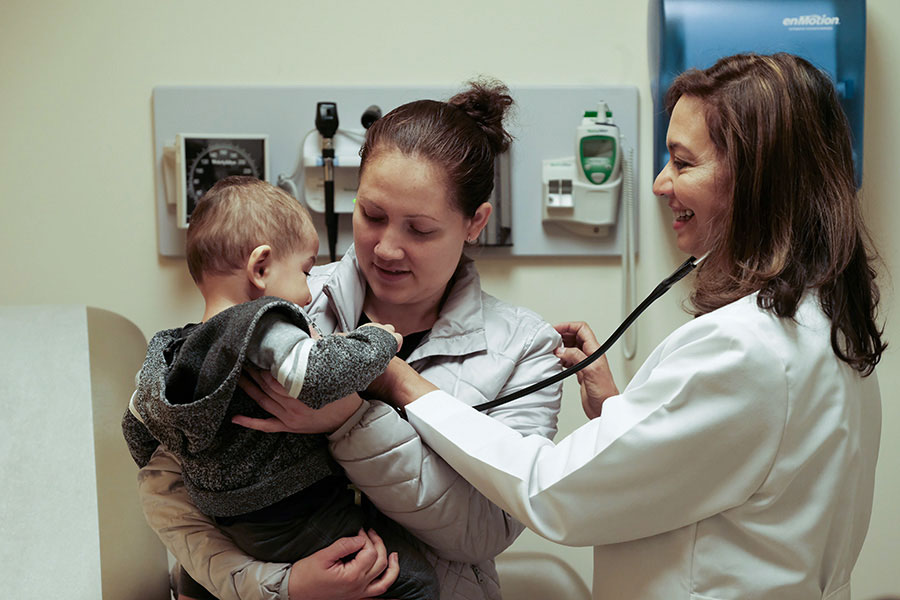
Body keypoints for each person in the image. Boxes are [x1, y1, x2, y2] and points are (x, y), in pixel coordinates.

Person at [316, 53, 885, 599]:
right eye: (372, 214)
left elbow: (550, 492)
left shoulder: (745, 348)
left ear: (757, 178)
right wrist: (619, 414)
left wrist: (399, 384)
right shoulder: (824, 330)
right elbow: (711, 468)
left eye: (683, 162)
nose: (660, 183)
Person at [135, 80, 565, 600]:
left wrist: (350, 419)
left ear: (475, 222)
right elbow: (169, 487)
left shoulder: (524, 351)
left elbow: (482, 531)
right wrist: (279, 587)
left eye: (420, 229)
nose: (386, 248)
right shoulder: (280, 304)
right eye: (372, 215)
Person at [122, 176, 439, 600]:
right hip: (294, 515)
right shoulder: (261, 324)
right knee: (416, 583)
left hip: (230, 521)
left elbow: (136, 425)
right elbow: (316, 373)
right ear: (261, 268)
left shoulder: (175, 350)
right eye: (305, 271)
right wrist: (378, 340)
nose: (308, 293)